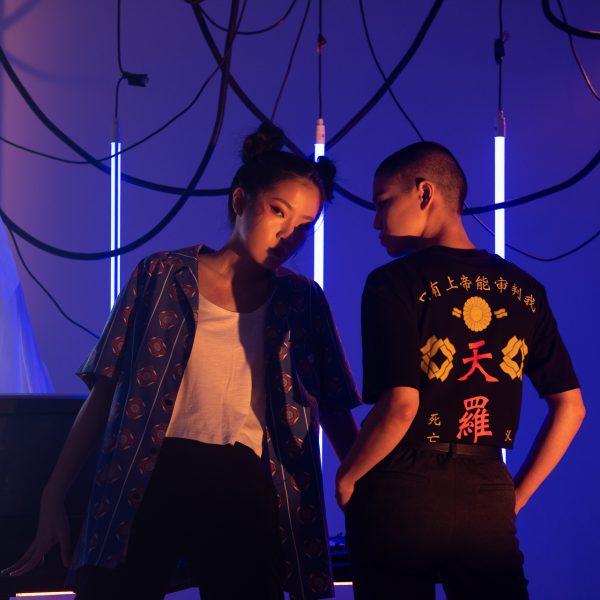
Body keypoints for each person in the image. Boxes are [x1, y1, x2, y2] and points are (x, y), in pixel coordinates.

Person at [2, 123, 360, 600]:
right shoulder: (163, 275)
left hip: (246, 480)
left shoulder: (303, 300)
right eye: (278, 210)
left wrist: (364, 486)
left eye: (305, 225)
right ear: (240, 200)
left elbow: (332, 405)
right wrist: (54, 493)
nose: (289, 234)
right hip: (151, 471)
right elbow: (106, 389)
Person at [336, 142, 585, 599]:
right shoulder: (526, 290)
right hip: (486, 486)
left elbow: (401, 405)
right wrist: (515, 496)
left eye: (383, 202)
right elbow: (572, 407)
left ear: (424, 192)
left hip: (402, 487)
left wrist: (348, 477)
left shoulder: (393, 282)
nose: (376, 222)